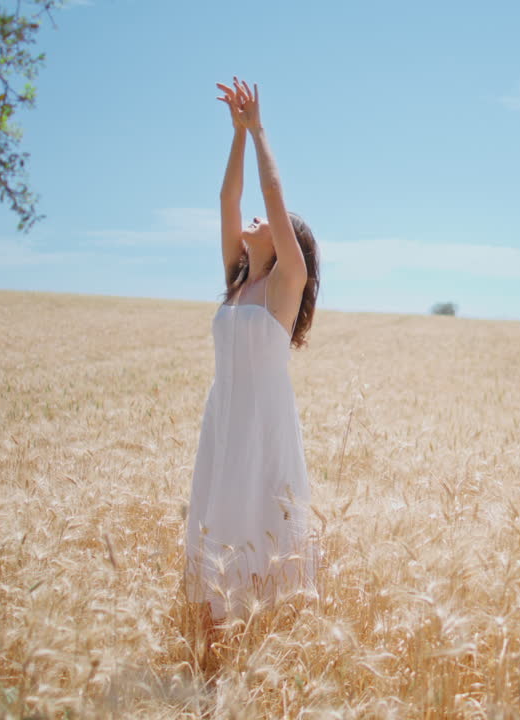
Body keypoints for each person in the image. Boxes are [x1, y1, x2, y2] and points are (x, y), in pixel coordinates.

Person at [182, 78, 320, 625]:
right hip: (223, 422)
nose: (257, 222)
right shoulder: (237, 279)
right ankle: (211, 666)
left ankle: (263, 650)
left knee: (260, 535)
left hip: (263, 426)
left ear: (290, 242)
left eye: (272, 225)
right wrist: (236, 134)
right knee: (216, 531)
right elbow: (229, 199)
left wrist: (260, 129)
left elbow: (271, 200)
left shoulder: (286, 284)